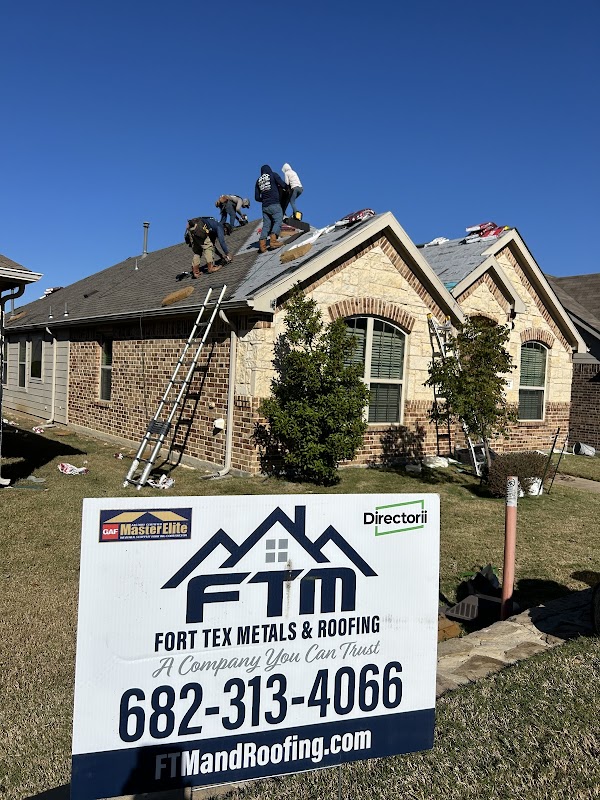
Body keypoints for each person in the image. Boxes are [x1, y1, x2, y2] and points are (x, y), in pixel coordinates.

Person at [254, 164, 287, 253]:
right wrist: (287, 188)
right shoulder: (273, 175)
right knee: (278, 220)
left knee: (266, 225)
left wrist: (264, 199)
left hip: (264, 206)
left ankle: (262, 246)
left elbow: (256, 198)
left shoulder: (258, 181)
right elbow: (282, 184)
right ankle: (273, 241)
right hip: (274, 203)